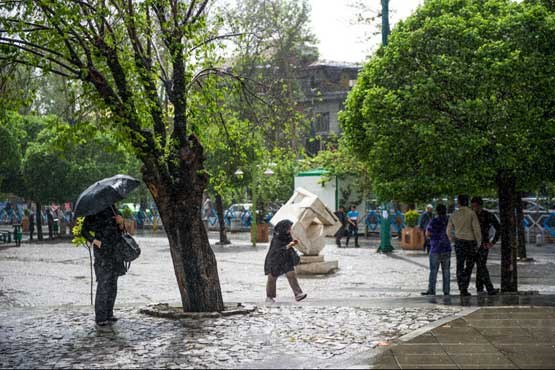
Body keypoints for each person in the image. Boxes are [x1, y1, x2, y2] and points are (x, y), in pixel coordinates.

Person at [82, 204, 126, 328]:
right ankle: (100, 317)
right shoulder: (94, 211)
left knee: (113, 283)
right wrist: (94, 241)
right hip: (102, 253)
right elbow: (84, 231)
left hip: (116, 252)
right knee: (104, 283)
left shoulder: (113, 209)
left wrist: (121, 222)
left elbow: (122, 231)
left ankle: (109, 313)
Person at [447, 194, 482, 297]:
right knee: (469, 265)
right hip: (470, 242)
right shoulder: (471, 214)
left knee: (459, 265)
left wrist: (451, 238)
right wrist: (478, 242)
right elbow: (476, 229)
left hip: (459, 242)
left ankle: (461, 287)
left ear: (458, 202)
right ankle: (464, 286)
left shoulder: (454, 214)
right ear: (467, 202)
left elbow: (448, 229)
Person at [264, 219, 307, 303]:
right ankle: (269, 297)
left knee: (291, 274)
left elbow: (289, 245)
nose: (290, 230)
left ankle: (298, 294)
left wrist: (293, 243)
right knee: (272, 278)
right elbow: (277, 251)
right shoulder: (277, 238)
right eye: (288, 228)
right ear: (283, 228)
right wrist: (289, 245)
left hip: (286, 259)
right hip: (275, 260)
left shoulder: (287, 236)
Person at [471, 197, 500, 295]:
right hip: (472, 243)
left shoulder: (488, 215)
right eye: (473, 206)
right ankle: (482, 288)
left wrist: (492, 242)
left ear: (480, 206)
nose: (474, 208)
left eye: (475, 206)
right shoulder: (471, 215)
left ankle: (486, 288)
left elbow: (498, 228)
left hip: (483, 244)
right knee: (480, 266)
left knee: (481, 266)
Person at [421, 204, 451, 296]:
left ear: (437, 211)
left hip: (435, 248)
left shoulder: (434, 221)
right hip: (446, 248)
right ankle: (446, 291)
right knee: (446, 271)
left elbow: (428, 233)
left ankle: (431, 290)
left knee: (433, 271)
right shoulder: (448, 220)